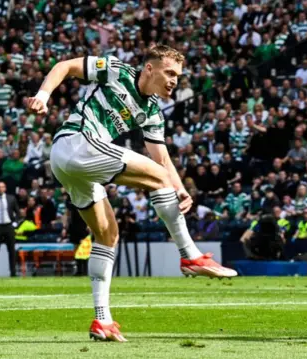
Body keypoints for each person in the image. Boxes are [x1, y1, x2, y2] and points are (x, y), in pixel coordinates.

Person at [25, 45, 237, 343]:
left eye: (178, 75)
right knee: (157, 180)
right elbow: (65, 66)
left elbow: (162, 161)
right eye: (170, 72)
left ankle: (102, 321)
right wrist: (43, 96)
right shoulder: (115, 70)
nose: (175, 80)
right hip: (76, 143)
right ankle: (190, 255)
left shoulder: (152, 112)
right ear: (149, 69)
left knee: (108, 236)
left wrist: (180, 190)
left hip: (71, 167)